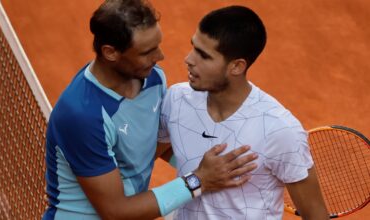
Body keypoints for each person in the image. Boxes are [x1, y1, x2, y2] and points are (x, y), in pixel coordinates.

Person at [42, 1, 258, 219]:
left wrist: (224, 170)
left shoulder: (152, 78)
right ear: (110, 52)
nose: (160, 57)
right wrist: (199, 179)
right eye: (147, 52)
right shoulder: (82, 116)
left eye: (157, 45)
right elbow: (115, 211)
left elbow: (152, 146)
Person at [158, 5, 329, 220]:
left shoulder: (279, 129)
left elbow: (316, 215)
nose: (189, 59)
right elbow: (150, 154)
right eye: (193, 47)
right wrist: (204, 174)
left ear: (237, 66)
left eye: (204, 55)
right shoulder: (177, 100)